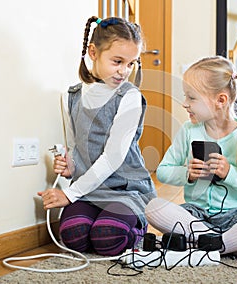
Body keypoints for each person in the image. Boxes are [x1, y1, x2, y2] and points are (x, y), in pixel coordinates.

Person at [145, 56, 237, 262]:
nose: (185, 104)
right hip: (198, 215)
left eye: (191, 98)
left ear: (220, 100)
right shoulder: (188, 131)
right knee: (153, 207)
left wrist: (231, 173)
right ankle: (233, 244)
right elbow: (163, 171)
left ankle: (212, 242)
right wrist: (187, 174)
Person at [38, 16, 156, 256]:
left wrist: (69, 194)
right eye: (117, 61)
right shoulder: (70, 96)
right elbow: (75, 147)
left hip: (126, 189)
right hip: (88, 189)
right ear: (93, 52)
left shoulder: (129, 97)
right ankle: (105, 221)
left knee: (108, 238)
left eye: (131, 63)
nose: (124, 71)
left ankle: (138, 229)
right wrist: (69, 165)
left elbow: (113, 157)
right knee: (73, 236)